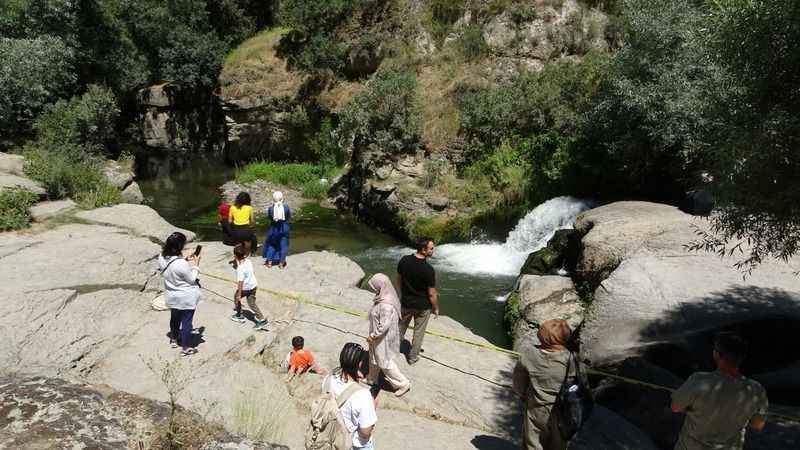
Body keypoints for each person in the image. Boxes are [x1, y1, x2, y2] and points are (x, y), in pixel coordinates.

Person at [671, 332, 768, 450]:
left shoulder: (699, 380)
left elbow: (675, 407)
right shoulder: (757, 390)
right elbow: (758, 424)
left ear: (717, 355)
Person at [512, 319, 576, 450]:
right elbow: (576, 382)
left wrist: (522, 394)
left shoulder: (529, 354)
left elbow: (518, 381)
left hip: (536, 407)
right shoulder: (571, 358)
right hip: (563, 409)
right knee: (559, 442)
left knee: (533, 440)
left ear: (543, 337)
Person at [323, 343, 377, 450]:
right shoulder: (363, 395)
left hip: (328, 433)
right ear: (360, 364)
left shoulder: (327, 380)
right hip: (349, 442)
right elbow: (365, 432)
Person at [365, 273, 411, 397]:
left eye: (375, 287)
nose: (373, 289)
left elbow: (384, 325)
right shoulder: (383, 297)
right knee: (373, 356)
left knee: (384, 361)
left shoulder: (386, 305)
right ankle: (372, 379)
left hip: (382, 338)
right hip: (378, 337)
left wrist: (373, 335)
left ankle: (402, 383)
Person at [397, 237, 439, 364]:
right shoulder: (428, 270)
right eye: (431, 248)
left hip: (406, 303)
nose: (433, 250)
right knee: (419, 332)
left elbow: (398, 279)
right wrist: (436, 308)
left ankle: (392, 348)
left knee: (399, 328)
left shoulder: (404, 260)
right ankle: (413, 357)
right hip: (422, 306)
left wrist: (400, 295)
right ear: (423, 250)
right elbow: (432, 293)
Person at [159, 232, 201, 357]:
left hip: (171, 294)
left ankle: (174, 338)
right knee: (187, 321)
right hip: (186, 296)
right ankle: (186, 347)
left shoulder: (161, 257)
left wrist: (185, 260)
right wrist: (196, 265)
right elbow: (192, 279)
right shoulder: (181, 264)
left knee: (174, 317)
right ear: (179, 246)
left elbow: (172, 266)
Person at [230, 243, 268, 330]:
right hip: (253, 285)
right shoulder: (248, 261)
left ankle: (239, 315)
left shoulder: (240, 269)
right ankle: (262, 319)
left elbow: (240, 282)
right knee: (252, 303)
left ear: (235, 256)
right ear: (244, 255)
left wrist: (239, 294)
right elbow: (243, 257)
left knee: (236, 297)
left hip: (245, 288)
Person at [263, 191, 290, 268]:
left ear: (273, 199)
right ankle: (281, 263)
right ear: (282, 199)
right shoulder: (286, 207)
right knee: (284, 246)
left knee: (272, 245)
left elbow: (269, 218)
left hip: (274, 229)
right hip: (284, 228)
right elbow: (288, 217)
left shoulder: (271, 209)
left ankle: (270, 262)